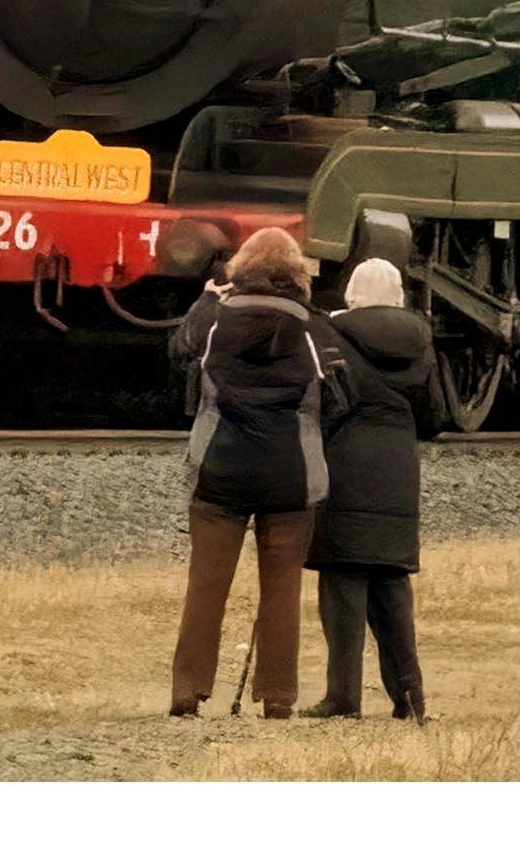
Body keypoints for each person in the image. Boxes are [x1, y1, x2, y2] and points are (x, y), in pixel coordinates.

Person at [166, 226, 349, 718]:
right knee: (283, 586)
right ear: (296, 275)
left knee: (206, 582)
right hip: (291, 474)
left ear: (239, 270)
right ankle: (278, 696)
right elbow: (339, 397)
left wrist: (206, 302)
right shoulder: (315, 329)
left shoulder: (215, 322)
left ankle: (188, 690)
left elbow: (180, 349)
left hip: (219, 470)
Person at [305, 255, 436, 721]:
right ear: (399, 295)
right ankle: (410, 698)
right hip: (398, 466)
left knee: (342, 582)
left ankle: (343, 697)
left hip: (344, 464)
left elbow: (322, 404)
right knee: (391, 584)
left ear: (352, 293)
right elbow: (435, 416)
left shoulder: (329, 332)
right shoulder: (420, 338)